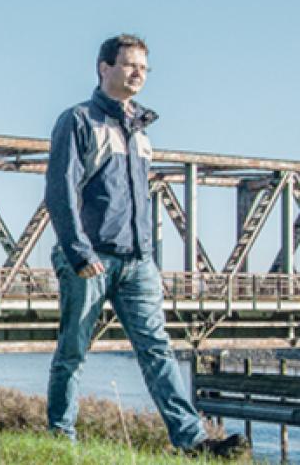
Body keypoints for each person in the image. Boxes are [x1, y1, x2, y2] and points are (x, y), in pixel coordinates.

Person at [44, 34, 247, 457]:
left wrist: (148, 255)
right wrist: (79, 253)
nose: (139, 74)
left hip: (138, 261)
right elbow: (59, 191)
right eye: (130, 65)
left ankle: (192, 441)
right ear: (104, 68)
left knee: (159, 352)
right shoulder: (78, 120)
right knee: (73, 352)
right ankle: (60, 439)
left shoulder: (141, 130)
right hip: (91, 258)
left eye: (144, 68)